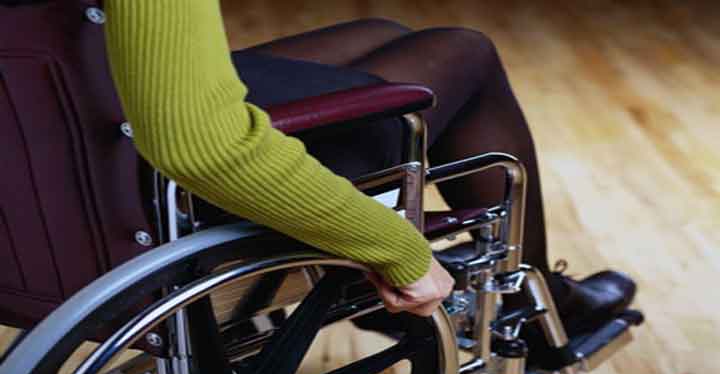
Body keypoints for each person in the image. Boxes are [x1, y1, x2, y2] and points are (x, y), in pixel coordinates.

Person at [103, 0, 635, 332]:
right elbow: (201, 148)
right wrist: (397, 250)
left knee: (380, 32)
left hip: (90, 139)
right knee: (464, 51)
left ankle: (530, 291)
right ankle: (535, 304)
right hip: (150, 184)